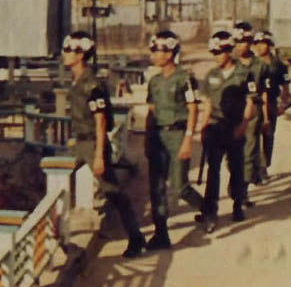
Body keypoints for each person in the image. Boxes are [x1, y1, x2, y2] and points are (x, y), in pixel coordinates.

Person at [63, 31, 147, 258]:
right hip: (80, 143)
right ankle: (59, 239)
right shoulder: (78, 81)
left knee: (112, 192)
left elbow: (100, 121)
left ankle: (136, 238)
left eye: (69, 50)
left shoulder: (92, 85)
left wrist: (99, 155)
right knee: (55, 178)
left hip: (93, 144)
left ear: (81, 55)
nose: (65, 54)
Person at [144, 30, 204, 249]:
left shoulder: (184, 78)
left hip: (178, 134)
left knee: (180, 187)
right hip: (158, 136)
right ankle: (161, 234)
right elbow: (151, 111)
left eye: (157, 50)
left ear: (169, 53)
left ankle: (206, 210)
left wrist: (189, 138)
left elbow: (193, 108)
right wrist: (148, 139)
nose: (154, 54)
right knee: (156, 187)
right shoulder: (155, 81)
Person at [197, 30, 256, 232]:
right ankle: (211, 212)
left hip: (234, 127)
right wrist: (203, 127)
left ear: (229, 51)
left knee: (236, 168)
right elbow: (206, 104)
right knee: (212, 171)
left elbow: (250, 102)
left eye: (220, 52)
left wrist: (243, 126)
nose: (216, 56)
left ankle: (237, 204)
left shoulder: (245, 73)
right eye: (213, 52)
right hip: (215, 127)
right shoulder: (210, 75)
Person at [233, 22, 268, 196]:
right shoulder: (230, 64)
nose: (242, 45)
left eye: (245, 41)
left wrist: (267, 118)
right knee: (233, 154)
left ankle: (243, 191)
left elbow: (265, 93)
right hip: (233, 113)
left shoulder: (260, 65)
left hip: (253, 112)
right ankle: (237, 184)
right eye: (238, 41)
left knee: (248, 151)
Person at [253, 30, 291, 177]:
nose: (260, 47)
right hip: (256, 103)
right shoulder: (252, 64)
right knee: (253, 136)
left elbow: (286, 85)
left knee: (268, 135)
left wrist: (283, 102)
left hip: (271, 103)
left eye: (263, 44)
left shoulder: (279, 65)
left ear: (269, 45)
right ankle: (258, 168)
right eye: (257, 44)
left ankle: (265, 164)